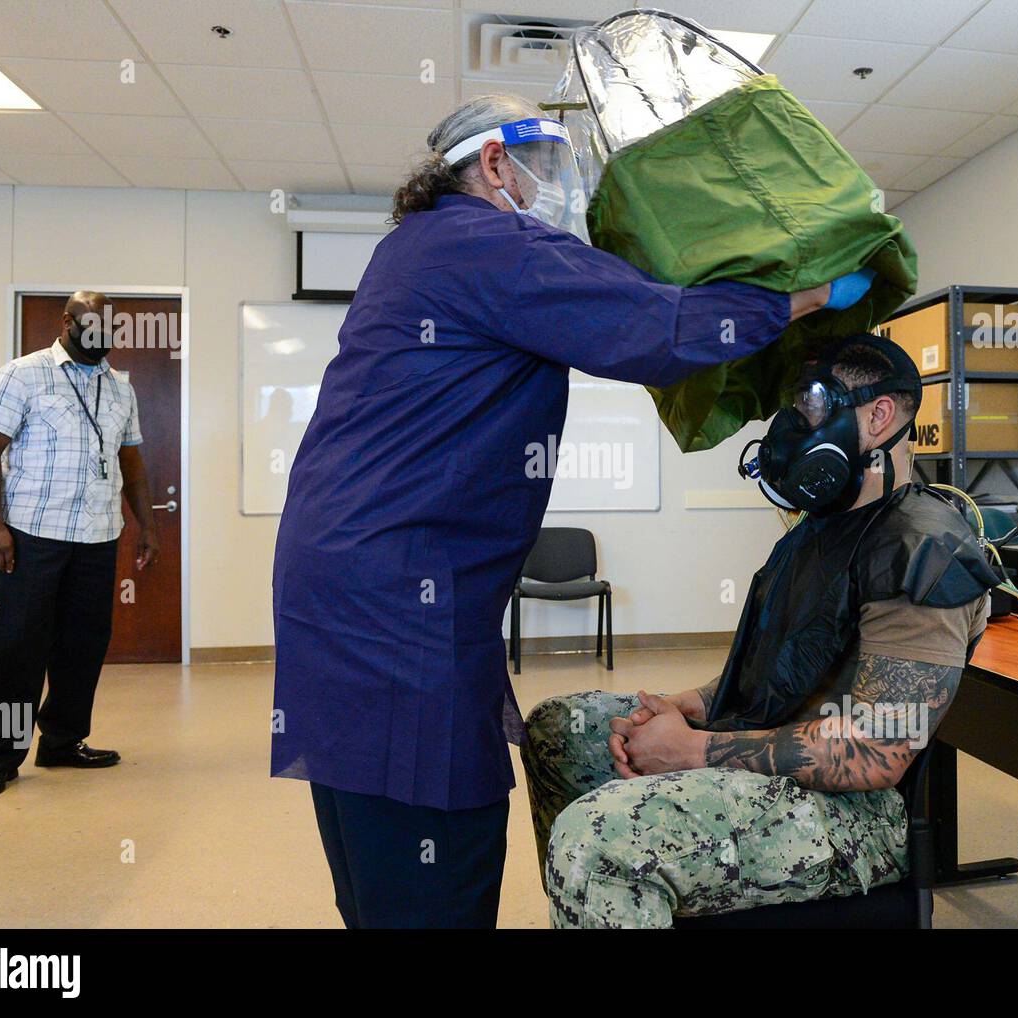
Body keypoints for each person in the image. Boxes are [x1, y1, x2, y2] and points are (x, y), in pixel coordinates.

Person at [269, 93, 872, 929]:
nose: (559, 188)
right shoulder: (485, 240)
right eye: (547, 166)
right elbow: (651, 329)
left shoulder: (418, 246)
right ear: (492, 164)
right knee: (435, 817)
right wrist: (803, 299)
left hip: (355, 577)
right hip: (400, 588)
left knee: (368, 798)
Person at [522, 335, 997, 928]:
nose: (794, 424)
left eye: (813, 404)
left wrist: (692, 750)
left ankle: (613, 881)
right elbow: (779, 668)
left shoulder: (923, 549)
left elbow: (878, 752)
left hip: (853, 817)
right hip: (765, 754)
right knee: (559, 732)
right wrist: (679, 706)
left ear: (879, 416)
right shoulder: (816, 531)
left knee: (596, 842)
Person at [0, 291, 159, 800]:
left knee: (82, 646)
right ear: (67, 321)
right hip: (31, 536)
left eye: (109, 334)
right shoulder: (24, 374)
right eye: (91, 329)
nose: (102, 342)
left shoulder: (121, 388)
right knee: (16, 649)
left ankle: (62, 741)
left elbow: (132, 464)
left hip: (97, 538)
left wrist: (147, 525)